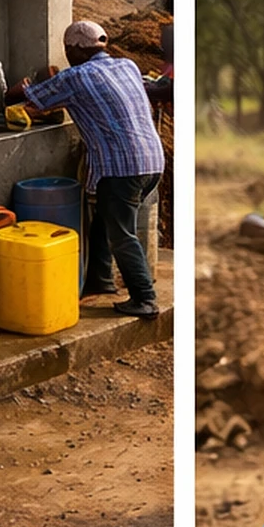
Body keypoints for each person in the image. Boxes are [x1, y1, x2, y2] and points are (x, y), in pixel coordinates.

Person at [18, 20, 163, 318]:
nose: (66, 55)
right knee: (105, 217)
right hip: (152, 160)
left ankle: (144, 298)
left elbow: (31, 99)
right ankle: (101, 279)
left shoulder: (76, 76)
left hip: (122, 167)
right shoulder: (128, 66)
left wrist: (21, 87)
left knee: (121, 234)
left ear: (75, 49)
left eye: (67, 50)